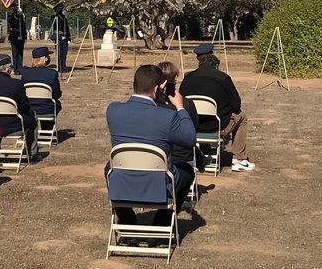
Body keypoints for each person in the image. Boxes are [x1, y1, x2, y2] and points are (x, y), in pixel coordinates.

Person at [105, 64, 196, 224]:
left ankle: (127, 223)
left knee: (110, 167)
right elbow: (190, 139)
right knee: (187, 170)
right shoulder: (167, 117)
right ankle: (162, 223)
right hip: (159, 185)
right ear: (157, 89)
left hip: (122, 183)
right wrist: (180, 107)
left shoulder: (113, 110)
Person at [179, 43, 255, 171]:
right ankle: (239, 159)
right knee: (242, 116)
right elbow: (236, 106)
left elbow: (181, 102)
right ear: (216, 64)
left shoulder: (188, 78)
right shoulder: (223, 78)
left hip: (193, 126)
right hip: (217, 127)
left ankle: (204, 153)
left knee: (199, 116)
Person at [0, 54, 38, 159]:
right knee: (33, 115)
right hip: (12, 124)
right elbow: (24, 105)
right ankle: (32, 153)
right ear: (7, 69)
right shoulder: (16, 84)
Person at [158, 60, 200, 170]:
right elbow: (193, 129)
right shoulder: (186, 104)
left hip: (157, 159)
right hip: (182, 158)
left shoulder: (152, 105)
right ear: (175, 77)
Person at [20, 46, 62, 116]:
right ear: (45, 58)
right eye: (48, 56)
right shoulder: (52, 73)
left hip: (29, 108)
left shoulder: (25, 73)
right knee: (57, 104)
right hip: (46, 109)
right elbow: (56, 94)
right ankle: (48, 125)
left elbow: (22, 92)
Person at [50, 3, 71, 73]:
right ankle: (60, 67)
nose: (64, 11)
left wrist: (69, 38)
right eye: (62, 9)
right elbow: (56, 23)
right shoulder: (55, 17)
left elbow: (67, 29)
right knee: (59, 53)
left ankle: (64, 67)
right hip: (58, 36)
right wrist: (61, 14)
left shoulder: (64, 18)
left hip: (64, 37)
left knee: (64, 53)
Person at [7, 3, 26, 75]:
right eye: (13, 8)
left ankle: (20, 67)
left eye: (15, 8)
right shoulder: (10, 15)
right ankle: (15, 68)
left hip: (21, 34)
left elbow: (23, 26)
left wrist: (25, 36)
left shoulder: (22, 15)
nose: (14, 9)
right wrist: (17, 15)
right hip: (14, 34)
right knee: (15, 53)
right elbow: (12, 21)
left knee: (20, 53)